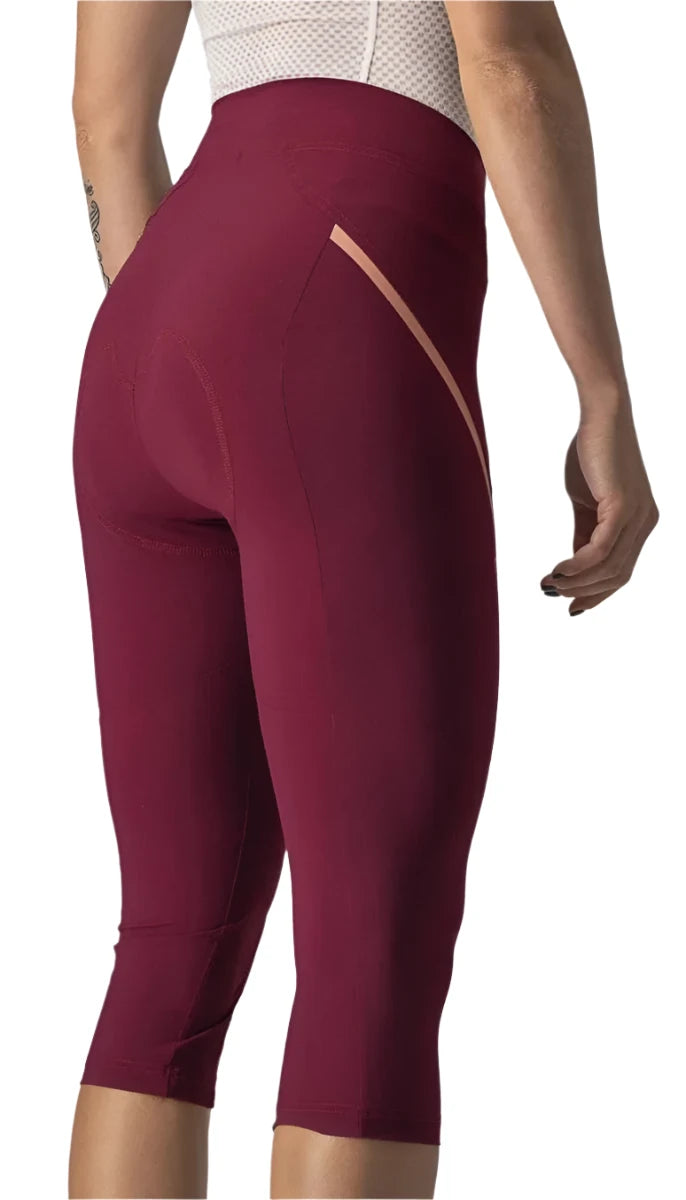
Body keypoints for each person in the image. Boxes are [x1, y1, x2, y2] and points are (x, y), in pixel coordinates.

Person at [68, 2, 658, 1198]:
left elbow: (105, 120)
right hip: (336, 296)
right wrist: (600, 388)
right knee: (370, 943)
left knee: (173, 939)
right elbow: (506, 59)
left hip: (148, 338)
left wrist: (206, 353)